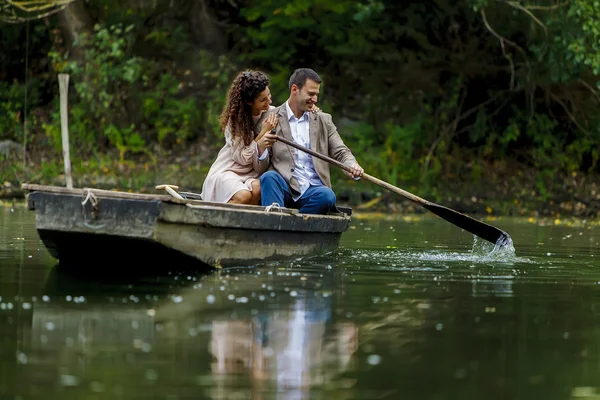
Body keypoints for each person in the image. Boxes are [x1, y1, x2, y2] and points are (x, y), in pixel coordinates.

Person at [259, 68, 364, 214]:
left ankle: (291, 227)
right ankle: (274, 223)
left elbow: (341, 151)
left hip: (313, 190)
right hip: (285, 185)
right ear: (295, 89)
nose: (315, 99)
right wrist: (262, 145)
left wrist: (351, 164)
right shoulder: (271, 117)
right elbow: (260, 161)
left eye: (316, 95)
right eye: (311, 94)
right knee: (269, 177)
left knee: (327, 196)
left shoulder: (324, 119)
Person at [200, 70, 278, 205]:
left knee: (258, 189)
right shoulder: (236, 120)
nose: (269, 101)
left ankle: (246, 223)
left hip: (253, 172)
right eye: (262, 100)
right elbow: (241, 158)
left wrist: (312, 112)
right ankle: (219, 219)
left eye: (269, 95)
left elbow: (291, 112)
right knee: (244, 196)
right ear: (249, 101)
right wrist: (263, 132)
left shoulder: (271, 112)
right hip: (231, 168)